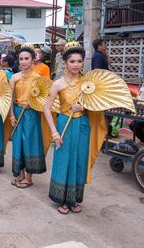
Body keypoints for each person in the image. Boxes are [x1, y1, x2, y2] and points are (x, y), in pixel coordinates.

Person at [43, 42, 107, 215]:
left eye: (79, 61)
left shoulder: (88, 84)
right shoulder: (57, 84)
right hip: (64, 124)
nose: (76, 64)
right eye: (72, 61)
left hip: (83, 124)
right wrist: (54, 132)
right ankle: (62, 198)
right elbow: (46, 109)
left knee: (79, 160)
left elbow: (94, 104)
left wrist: (84, 107)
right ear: (65, 62)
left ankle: (74, 199)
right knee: (64, 159)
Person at [9, 45, 47, 188]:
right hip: (18, 112)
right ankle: (20, 174)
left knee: (29, 143)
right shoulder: (15, 77)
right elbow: (10, 98)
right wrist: (12, 115)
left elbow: (42, 99)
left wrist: (31, 105)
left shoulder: (38, 78)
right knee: (18, 142)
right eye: (21, 59)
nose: (23, 61)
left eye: (27, 58)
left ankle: (29, 178)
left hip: (31, 114)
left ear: (33, 60)